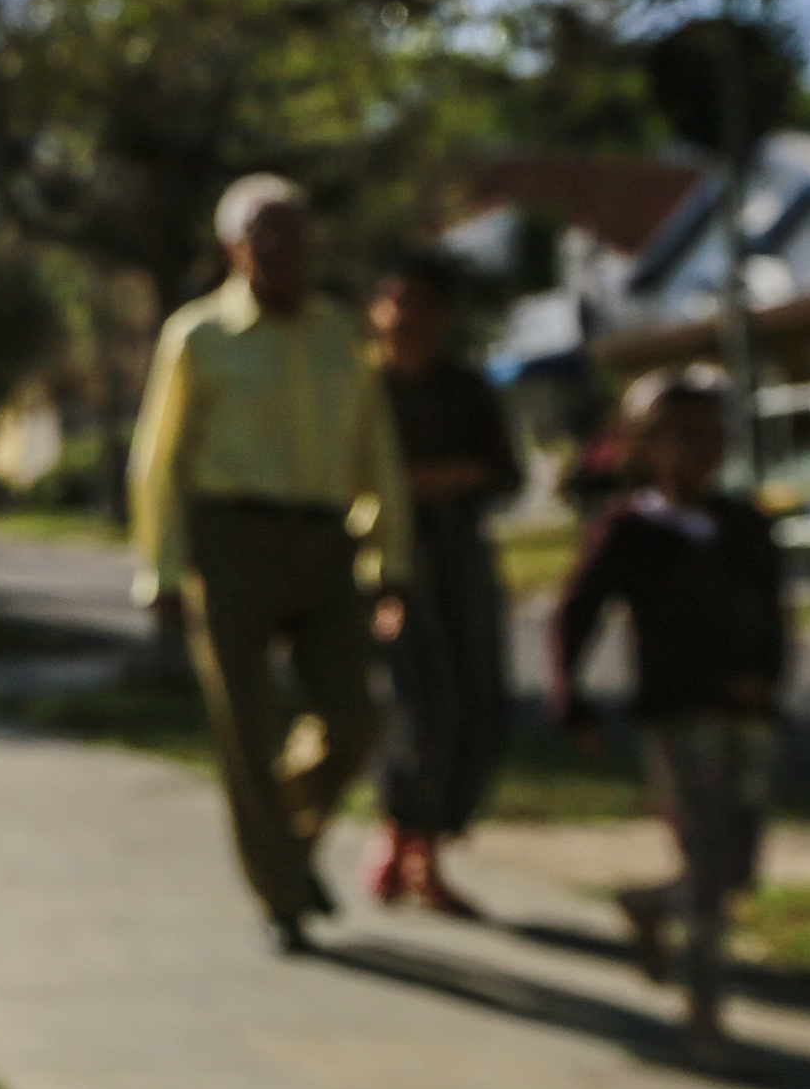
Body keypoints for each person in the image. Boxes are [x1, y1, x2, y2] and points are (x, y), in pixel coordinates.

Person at [131, 173, 415, 954]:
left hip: (326, 543)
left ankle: (277, 835)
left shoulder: (340, 335)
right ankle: (283, 897)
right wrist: (159, 567)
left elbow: (376, 450)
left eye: (296, 232)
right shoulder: (198, 336)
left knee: (355, 720)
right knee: (246, 728)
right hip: (231, 542)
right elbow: (158, 460)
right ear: (234, 248)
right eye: (267, 234)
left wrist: (392, 556)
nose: (285, 248)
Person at [548, 366, 789, 1066]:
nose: (697, 448)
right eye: (678, 433)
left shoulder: (746, 525)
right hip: (678, 720)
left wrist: (767, 685)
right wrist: (572, 698)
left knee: (739, 868)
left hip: (752, 721)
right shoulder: (629, 531)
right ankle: (705, 1024)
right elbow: (575, 615)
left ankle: (653, 906)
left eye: (710, 433)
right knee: (710, 866)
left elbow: (775, 622)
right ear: (640, 443)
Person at [368, 252, 522, 915]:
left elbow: (505, 474)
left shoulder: (465, 388)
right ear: (378, 310)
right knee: (417, 705)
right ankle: (397, 835)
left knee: (478, 702)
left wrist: (446, 479)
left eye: (427, 305)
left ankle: (432, 848)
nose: (412, 318)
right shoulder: (360, 390)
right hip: (389, 562)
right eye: (400, 301)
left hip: (461, 558)